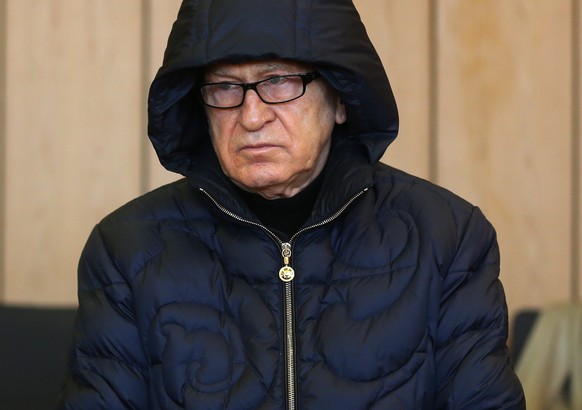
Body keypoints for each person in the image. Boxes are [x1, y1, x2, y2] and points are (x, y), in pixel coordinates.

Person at [57, 0, 525, 408]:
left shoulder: (449, 237)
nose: (252, 116)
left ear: (341, 98)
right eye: (224, 87)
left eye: (279, 81)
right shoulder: (126, 248)